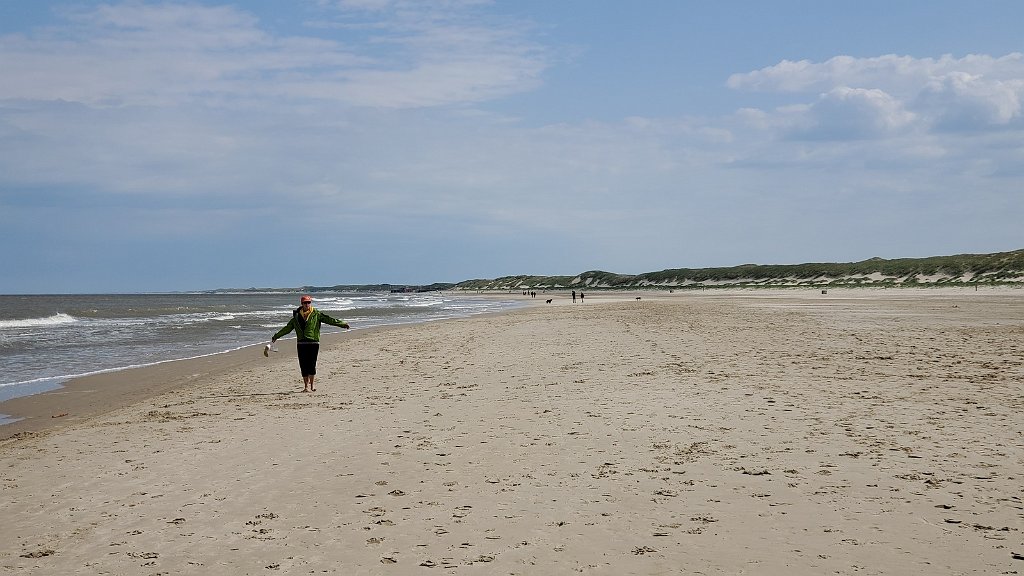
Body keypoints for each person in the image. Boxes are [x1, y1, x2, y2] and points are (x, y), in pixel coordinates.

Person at [272, 295, 350, 392]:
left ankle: (312, 385)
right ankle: (306, 387)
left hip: (313, 342)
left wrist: (342, 324)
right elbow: (287, 328)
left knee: (312, 364)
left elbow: (329, 320)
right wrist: (276, 336)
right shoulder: (296, 317)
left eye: (309, 302)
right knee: (303, 365)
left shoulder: (316, 314)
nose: (307, 304)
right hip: (301, 343)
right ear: (302, 304)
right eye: (305, 303)